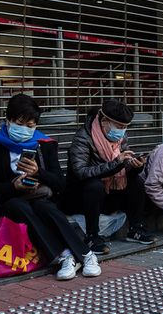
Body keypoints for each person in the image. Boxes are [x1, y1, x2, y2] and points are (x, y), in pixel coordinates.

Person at [0, 94, 100, 281]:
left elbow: (60, 183)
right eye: (20, 123)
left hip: (39, 197)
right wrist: (14, 186)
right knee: (17, 205)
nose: (25, 129)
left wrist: (38, 173)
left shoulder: (44, 145)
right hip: (8, 201)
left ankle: (86, 255)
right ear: (8, 120)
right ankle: (65, 256)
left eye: (31, 125)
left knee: (43, 206)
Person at [63, 100, 155, 255]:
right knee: (95, 185)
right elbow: (81, 172)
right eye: (119, 127)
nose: (122, 131)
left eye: (125, 127)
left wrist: (135, 166)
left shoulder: (121, 138)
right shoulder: (83, 137)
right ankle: (91, 236)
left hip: (109, 193)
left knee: (137, 181)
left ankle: (136, 229)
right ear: (104, 121)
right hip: (81, 197)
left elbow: (123, 169)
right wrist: (116, 163)